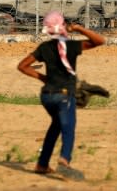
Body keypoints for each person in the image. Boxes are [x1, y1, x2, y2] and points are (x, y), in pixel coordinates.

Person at [17, 11, 105, 179]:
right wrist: (79, 28)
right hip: (64, 96)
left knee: (56, 126)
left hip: (47, 96)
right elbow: (100, 41)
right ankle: (64, 161)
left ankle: (42, 164)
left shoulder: (44, 47)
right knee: (68, 128)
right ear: (63, 26)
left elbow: (22, 66)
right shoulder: (71, 46)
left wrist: (43, 78)